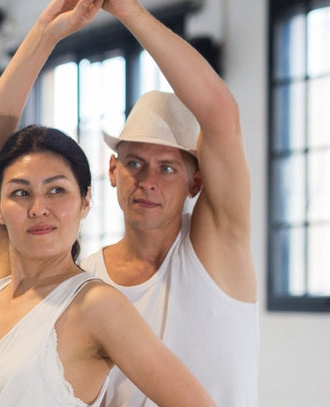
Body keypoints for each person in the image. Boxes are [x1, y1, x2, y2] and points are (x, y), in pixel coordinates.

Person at [0, 1, 214, 406]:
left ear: (86, 201)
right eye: (20, 192)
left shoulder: (97, 306)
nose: (38, 208)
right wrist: (45, 31)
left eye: (57, 190)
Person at [76, 0, 259, 406]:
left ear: (196, 182)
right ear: (112, 170)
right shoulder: (83, 281)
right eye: (135, 163)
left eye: (168, 169)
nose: (148, 182)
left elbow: (221, 113)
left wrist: (129, 12)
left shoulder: (217, 247)